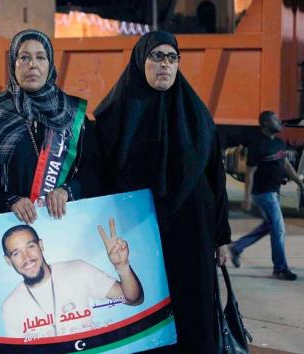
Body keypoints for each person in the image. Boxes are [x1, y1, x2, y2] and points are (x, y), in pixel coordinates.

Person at [94, 31, 231, 354]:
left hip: (192, 234)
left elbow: (216, 177)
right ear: (140, 61)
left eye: (172, 58)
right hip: (139, 236)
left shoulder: (197, 116)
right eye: (157, 56)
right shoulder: (113, 118)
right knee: (146, 312)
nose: (165, 65)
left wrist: (221, 236)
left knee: (193, 313)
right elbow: (98, 178)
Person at [0, 29, 102, 223]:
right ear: (13, 64)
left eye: (41, 58)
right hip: (6, 224)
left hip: (66, 226)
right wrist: (8, 200)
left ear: (50, 65)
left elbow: (95, 173)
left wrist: (68, 191)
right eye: (24, 57)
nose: (32, 65)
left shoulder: (72, 112)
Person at [1, 220, 143, 338]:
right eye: (16, 253)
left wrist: (122, 266)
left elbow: (133, 299)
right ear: (8, 260)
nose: (26, 257)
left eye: (30, 246)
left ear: (41, 245)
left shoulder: (78, 270)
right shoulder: (11, 305)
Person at [229, 111, 304, 281]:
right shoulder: (258, 145)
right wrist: (247, 198)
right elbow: (250, 173)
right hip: (263, 193)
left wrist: (300, 183)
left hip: (275, 192)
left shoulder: (279, 143)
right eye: (275, 119)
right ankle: (280, 269)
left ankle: (237, 247)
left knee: (269, 225)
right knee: (278, 228)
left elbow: (286, 165)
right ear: (265, 123)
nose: (279, 121)